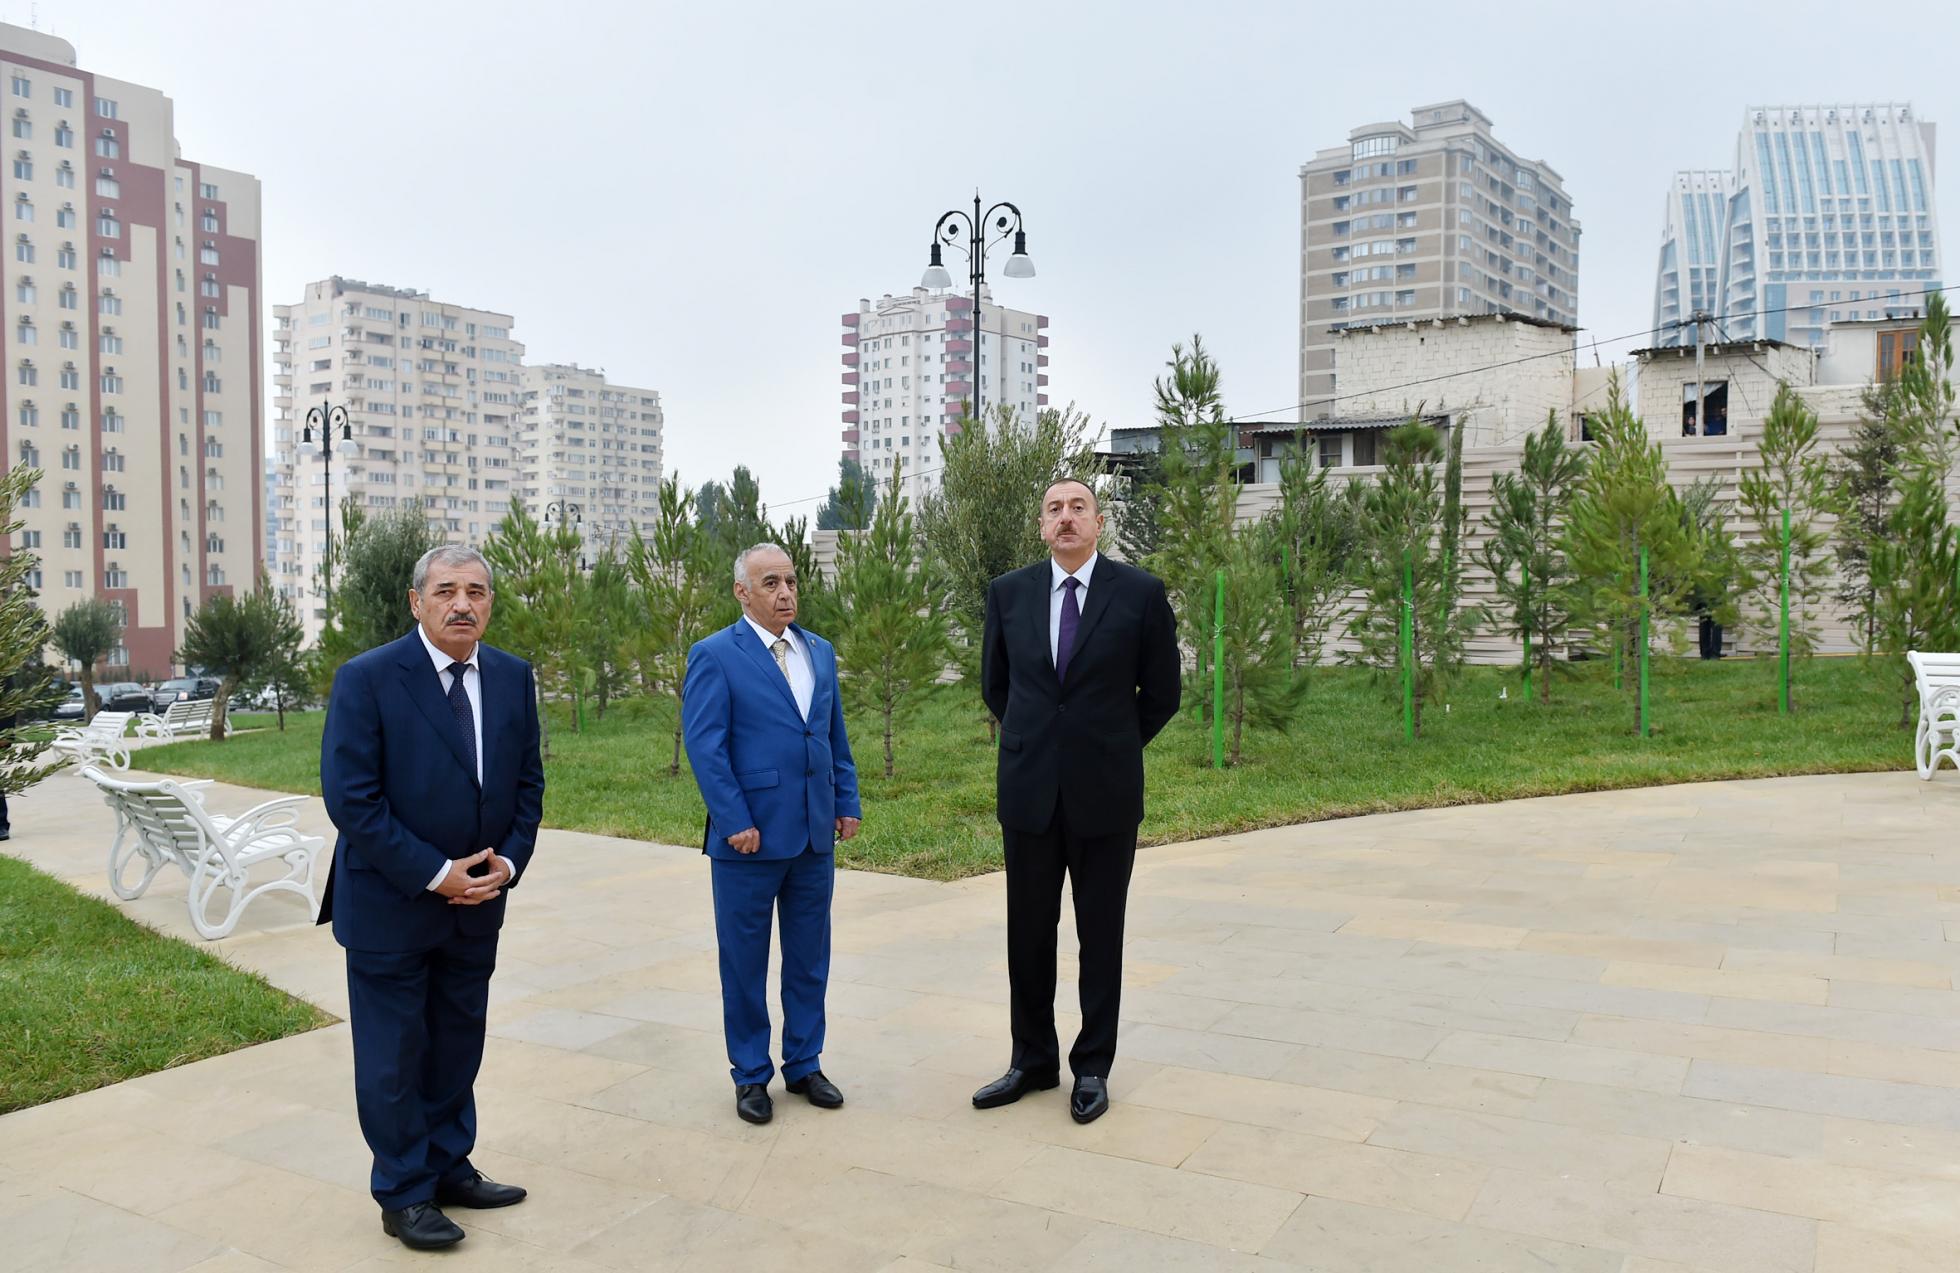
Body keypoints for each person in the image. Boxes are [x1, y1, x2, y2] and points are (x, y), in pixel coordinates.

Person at [318, 544, 544, 1251]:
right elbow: (351, 799)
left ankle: (449, 1163)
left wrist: (506, 861)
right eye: (446, 589)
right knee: (392, 1057)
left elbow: (528, 786)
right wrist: (434, 871)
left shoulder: (511, 676)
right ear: (416, 601)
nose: (463, 603)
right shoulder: (369, 678)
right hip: (393, 903)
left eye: (477, 591)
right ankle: (405, 1190)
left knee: (455, 1044)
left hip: (479, 904)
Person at [972, 478, 1180, 1124]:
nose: (1066, 518)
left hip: (1106, 796)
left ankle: (1091, 1066)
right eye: (1055, 509)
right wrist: (1042, 740)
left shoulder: (1140, 594)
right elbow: (995, 685)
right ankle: (1031, 1059)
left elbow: (1164, 694)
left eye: (1078, 507)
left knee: (1100, 935)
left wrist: (1110, 743)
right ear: (1041, 526)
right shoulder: (1009, 594)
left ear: (1098, 521)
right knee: (1028, 935)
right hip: (1030, 792)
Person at [682, 542, 861, 1126]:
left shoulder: (820, 651)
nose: (785, 592)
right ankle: (751, 1074)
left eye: (789, 581)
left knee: (810, 956)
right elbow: (706, 748)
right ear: (742, 592)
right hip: (748, 840)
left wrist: (846, 800)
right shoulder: (715, 655)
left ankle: (805, 1063)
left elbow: (832, 734)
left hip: (813, 834)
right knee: (744, 962)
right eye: (770, 583)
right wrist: (734, 821)